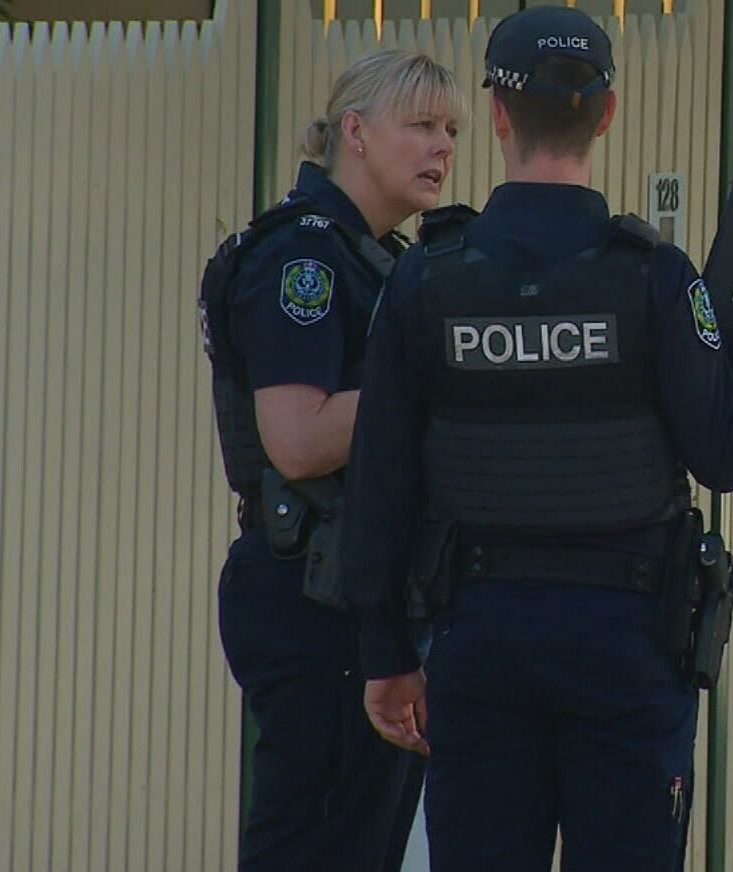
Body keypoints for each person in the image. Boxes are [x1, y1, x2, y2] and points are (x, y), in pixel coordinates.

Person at [340, 6, 733, 870]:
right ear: (607, 113)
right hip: (628, 643)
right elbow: (725, 452)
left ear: (498, 117)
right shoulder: (653, 277)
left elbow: (380, 485)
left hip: (480, 636)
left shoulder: (426, 278)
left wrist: (385, 656)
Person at [200, 48, 461, 871]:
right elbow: (299, 437)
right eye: (420, 126)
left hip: (359, 594)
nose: (443, 147)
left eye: (451, 129)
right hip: (310, 598)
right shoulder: (302, 259)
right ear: (355, 131)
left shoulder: (379, 256)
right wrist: (432, 384)